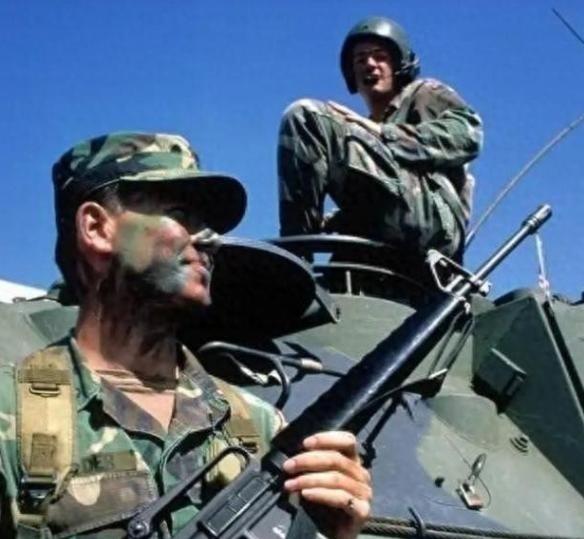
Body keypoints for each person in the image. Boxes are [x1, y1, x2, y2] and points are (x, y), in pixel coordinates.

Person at [0, 132, 371, 538]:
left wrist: (333, 532)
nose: (210, 238)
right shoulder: (13, 416)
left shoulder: (258, 427)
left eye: (209, 224)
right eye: (180, 213)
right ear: (96, 227)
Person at [278, 16, 483, 261]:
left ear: (399, 64)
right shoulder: (362, 138)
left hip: (434, 222)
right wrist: (330, 223)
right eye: (360, 59)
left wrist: (385, 134)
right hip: (390, 231)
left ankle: (294, 258)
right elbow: (378, 191)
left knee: (304, 116)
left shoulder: (423, 93)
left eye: (380, 56)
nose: (369, 64)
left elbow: (469, 134)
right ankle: (296, 264)